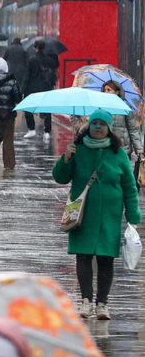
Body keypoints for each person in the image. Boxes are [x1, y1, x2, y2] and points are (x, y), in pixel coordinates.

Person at [53, 109, 140, 320]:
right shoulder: (77, 149)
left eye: (102, 124)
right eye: (94, 124)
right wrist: (66, 158)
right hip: (83, 214)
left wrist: (133, 216)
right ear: (88, 126)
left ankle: (102, 304)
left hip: (109, 216)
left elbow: (129, 186)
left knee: (106, 259)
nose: (98, 127)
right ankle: (85, 301)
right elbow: (60, 178)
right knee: (83, 256)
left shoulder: (118, 153)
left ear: (109, 129)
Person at [22, 39, 58, 141]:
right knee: (47, 109)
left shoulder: (31, 60)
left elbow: (27, 76)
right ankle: (47, 131)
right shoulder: (49, 60)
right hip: (45, 87)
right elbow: (52, 74)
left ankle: (31, 129)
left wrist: (23, 89)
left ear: (35, 47)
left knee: (28, 107)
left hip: (33, 87)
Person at [103, 80, 143, 159]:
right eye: (104, 90)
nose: (105, 92)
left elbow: (133, 130)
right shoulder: (101, 107)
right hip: (106, 147)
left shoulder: (125, 107)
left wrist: (139, 150)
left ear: (117, 92)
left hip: (123, 149)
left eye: (109, 90)